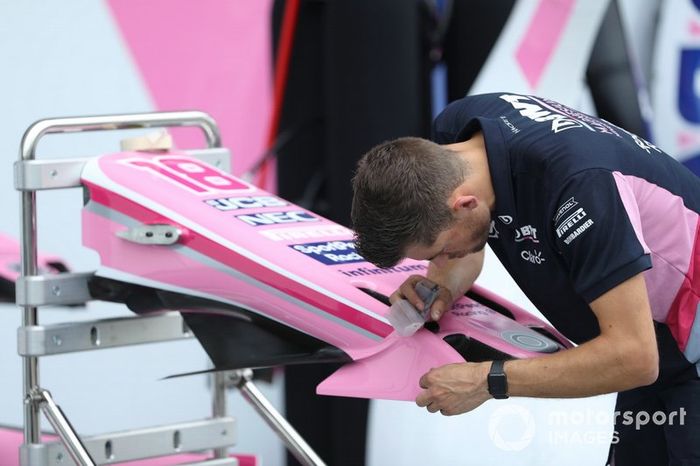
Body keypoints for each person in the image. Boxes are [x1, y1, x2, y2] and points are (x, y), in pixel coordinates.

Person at [350, 92, 700, 465]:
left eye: (439, 253)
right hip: (664, 345)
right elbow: (469, 234)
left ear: (465, 204)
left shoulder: (578, 191)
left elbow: (633, 357)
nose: (440, 263)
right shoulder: (456, 140)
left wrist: (488, 381)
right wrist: (444, 286)